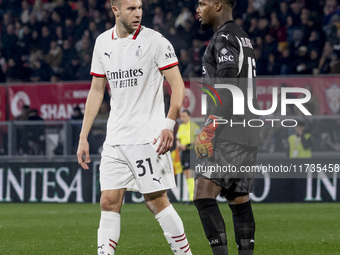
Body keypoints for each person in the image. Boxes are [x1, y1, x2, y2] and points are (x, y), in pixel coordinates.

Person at [76, 1, 192, 255]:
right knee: (108, 201)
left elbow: (178, 85)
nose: (138, 12)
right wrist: (83, 136)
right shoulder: (102, 42)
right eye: (130, 8)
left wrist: (169, 124)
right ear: (115, 10)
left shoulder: (156, 41)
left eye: (139, 7)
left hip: (147, 138)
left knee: (156, 201)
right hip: (115, 138)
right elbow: (96, 91)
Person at [194, 1, 261, 255]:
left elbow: (228, 86)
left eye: (202, 3)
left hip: (228, 130)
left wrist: (209, 129)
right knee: (238, 199)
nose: (197, 9)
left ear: (218, 5)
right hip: (248, 131)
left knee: (203, 195)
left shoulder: (223, 37)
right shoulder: (243, 37)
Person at [176, 110, 200, 202]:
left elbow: (198, 139)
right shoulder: (181, 127)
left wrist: (188, 145)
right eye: (181, 116)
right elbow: (178, 139)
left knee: (190, 173)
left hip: (191, 151)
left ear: (189, 116)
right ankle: (191, 196)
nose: (182, 118)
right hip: (184, 152)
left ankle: (192, 197)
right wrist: (179, 145)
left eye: (184, 116)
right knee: (186, 173)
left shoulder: (194, 126)